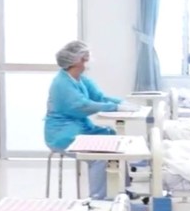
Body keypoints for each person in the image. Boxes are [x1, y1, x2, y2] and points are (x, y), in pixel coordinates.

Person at [44, 40, 136, 200]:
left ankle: (124, 189)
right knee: (99, 156)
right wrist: (114, 108)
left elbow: (99, 97)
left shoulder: (80, 79)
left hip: (81, 129)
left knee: (113, 137)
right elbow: (83, 105)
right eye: (84, 57)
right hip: (63, 135)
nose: (87, 59)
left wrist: (120, 102)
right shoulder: (61, 84)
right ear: (75, 60)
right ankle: (99, 200)